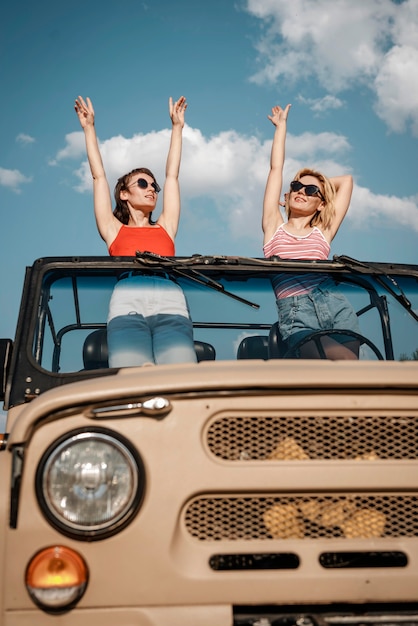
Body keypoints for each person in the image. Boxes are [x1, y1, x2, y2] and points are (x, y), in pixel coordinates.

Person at [74, 95, 197, 367]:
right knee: (131, 373)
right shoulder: (112, 228)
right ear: (124, 193)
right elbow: (98, 177)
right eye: (142, 183)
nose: (151, 188)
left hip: (169, 295)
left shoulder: (166, 226)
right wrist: (89, 128)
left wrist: (177, 128)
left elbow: (173, 175)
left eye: (154, 185)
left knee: (181, 371)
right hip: (127, 298)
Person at [262, 104, 360, 360]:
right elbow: (275, 169)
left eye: (310, 191)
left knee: (346, 383)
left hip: (336, 306)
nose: (301, 191)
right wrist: (281, 128)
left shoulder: (323, 231)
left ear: (323, 203)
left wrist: (319, 182)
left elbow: (346, 181)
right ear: (286, 195)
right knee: (344, 365)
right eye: (296, 186)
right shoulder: (274, 226)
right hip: (296, 314)